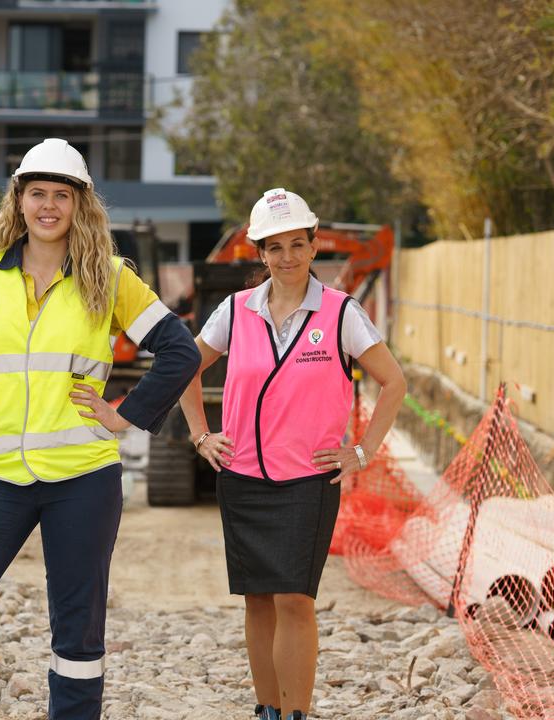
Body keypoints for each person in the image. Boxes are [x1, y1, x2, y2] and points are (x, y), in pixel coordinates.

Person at [0, 138, 201, 720]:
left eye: (60, 195)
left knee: (78, 632)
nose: (48, 206)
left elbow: (179, 350)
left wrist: (127, 414)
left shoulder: (109, 277)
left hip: (83, 478)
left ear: (79, 203)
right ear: (17, 200)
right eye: (36, 193)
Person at [177, 188, 407, 720]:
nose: (287, 257)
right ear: (259, 252)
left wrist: (362, 451)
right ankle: (266, 710)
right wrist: (200, 435)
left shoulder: (341, 312)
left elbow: (393, 382)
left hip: (308, 480)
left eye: (297, 245)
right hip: (241, 478)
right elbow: (182, 369)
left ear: (314, 246)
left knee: (293, 600)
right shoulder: (234, 312)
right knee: (257, 599)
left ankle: (296, 712)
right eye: (274, 247)